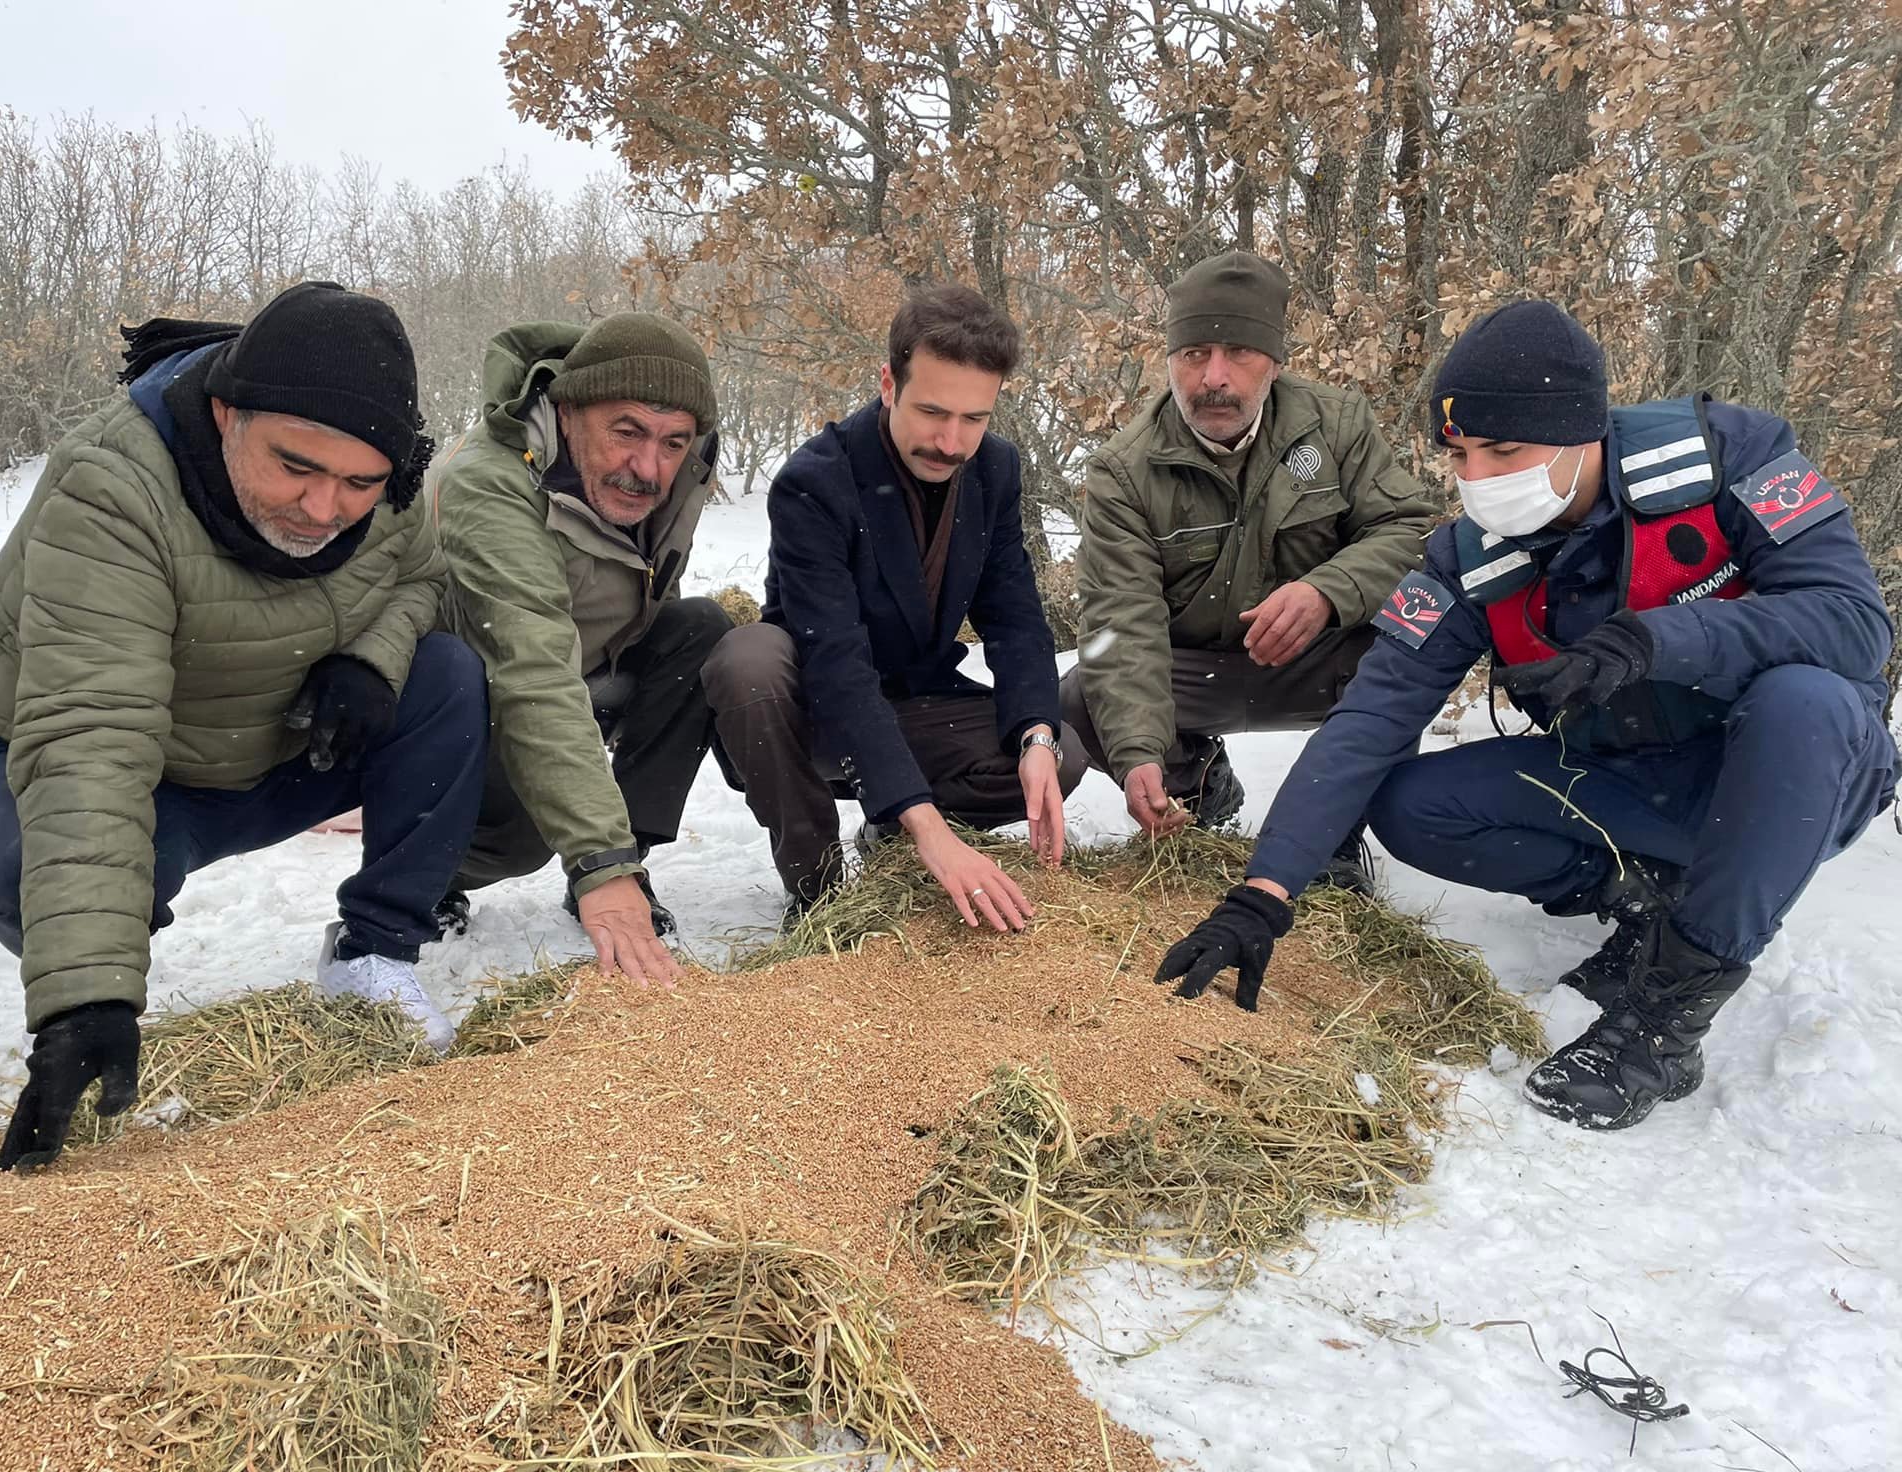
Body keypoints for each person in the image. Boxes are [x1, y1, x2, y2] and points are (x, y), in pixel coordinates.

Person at [1154, 298, 1898, 1131]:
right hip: (1636, 783)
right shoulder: (1470, 556)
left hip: (1793, 781)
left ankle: (1663, 1021)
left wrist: (1656, 639)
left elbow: (1855, 626)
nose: (1479, 478)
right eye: (1461, 454)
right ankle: (1648, 899)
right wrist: (1264, 891)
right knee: (1411, 802)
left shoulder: (1729, 457)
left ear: (1585, 431)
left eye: (1504, 449)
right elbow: (1372, 715)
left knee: (1808, 697)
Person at [0, 282, 488, 1170]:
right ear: (227, 413)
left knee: (448, 675)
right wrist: (87, 997)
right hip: (92, 754)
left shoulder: (387, 488)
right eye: (295, 467)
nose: (323, 508)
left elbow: (421, 582)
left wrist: (370, 664)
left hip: (263, 740)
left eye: (358, 482)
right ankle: (98, 947)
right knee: (25, 861)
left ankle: (374, 953)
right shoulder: (115, 485)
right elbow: (91, 731)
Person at [704, 284, 1083, 926]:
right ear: (888, 383)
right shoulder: (814, 482)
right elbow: (836, 663)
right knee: (749, 659)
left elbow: (1015, 614)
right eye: (933, 412)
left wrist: (1037, 736)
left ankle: (892, 828)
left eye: (974, 418)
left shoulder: (995, 469)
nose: (951, 441)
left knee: (1060, 751)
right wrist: (934, 832)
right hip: (814, 717)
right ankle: (818, 887)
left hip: (920, 705)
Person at [1062, 252, 1434, 887]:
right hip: (1195, 672)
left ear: (1275, 360)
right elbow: (1123, 624)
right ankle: (1198, 789)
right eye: (1194, 354)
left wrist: (1328, 591)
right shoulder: (1123, 469)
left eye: (1238, 352)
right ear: (1170, 360)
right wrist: (1137, 757)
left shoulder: (1337, 425)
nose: (1214, 377)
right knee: (1078, 697)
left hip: (1313, 660)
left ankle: (1333, 835)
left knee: (1406, 650)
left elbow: (1412, 530)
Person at [428, 316, 729, 985]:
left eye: (673, 442)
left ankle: (629, 860)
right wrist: (595, 858)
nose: (648, 468)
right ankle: (424, 872)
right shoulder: (488, 483)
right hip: (464, 695)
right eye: (626, 431)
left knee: (702, 631)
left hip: (589, 665)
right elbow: (532, 670)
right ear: (567, 412)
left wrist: (612, 859)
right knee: (528, 838)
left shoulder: (678, 471)